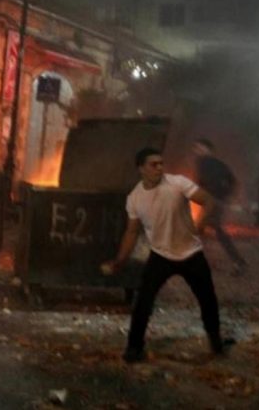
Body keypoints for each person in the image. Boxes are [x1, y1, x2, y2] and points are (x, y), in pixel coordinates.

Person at [101, 147, 232, 363]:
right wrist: (120, 260)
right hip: (160, 256)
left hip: (191, 253)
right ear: (141, 168)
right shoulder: (135, 198)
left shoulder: (177, 183)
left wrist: (200, 225)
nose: (159, 168)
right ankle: (134, 348)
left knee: (207, 299)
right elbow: (131, 232)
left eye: (161, 163)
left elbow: (208, 200)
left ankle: (216, 343)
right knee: (143, 302)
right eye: (153, 164)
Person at [192, 139, 247, 275]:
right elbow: (205, 182)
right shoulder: (205, 163)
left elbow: (231, 181)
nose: (197, 150)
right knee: (205, 230)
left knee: (210, 230)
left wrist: (222, 195)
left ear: (208, 149)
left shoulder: (210, 163)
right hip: (211, 201)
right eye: (196, 148)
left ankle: (239, 262)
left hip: (213, 201)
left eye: (200, 148)